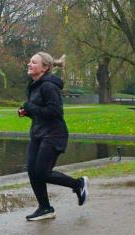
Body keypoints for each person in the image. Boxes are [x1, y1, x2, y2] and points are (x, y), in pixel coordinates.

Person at [19, 52, 88, 221]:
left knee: (42, 172)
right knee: (32, 171)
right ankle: (45, 208)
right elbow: (40, 111)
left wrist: (30, 107)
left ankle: (78, 184)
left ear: (45, 68)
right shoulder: (34, 85)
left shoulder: (49, 86)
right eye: (30, 61)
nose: (29, 64)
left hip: (53, 135)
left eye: (33, 62)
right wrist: (27, 111)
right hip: (38, 133)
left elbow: (55, 112)